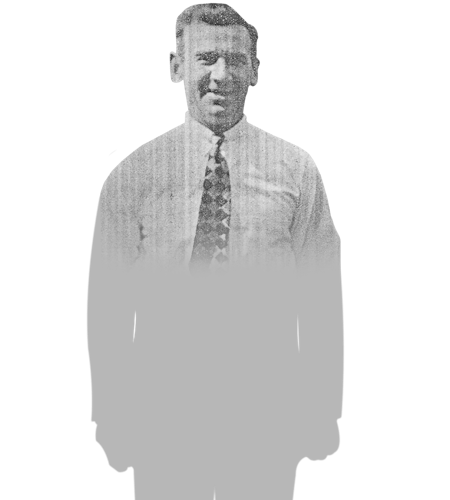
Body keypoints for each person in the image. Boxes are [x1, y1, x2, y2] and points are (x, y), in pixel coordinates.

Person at [89, 3, 342, 496]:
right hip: (164, 414)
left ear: (255, 70)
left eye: (236, 60)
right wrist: (112, 418)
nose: (221, 76)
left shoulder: (296, 170)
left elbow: (322, 300)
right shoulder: (133, 176)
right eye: (206, 58)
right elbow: (108, 310)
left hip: (266, 413)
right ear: (176, 66)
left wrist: (322, 411)